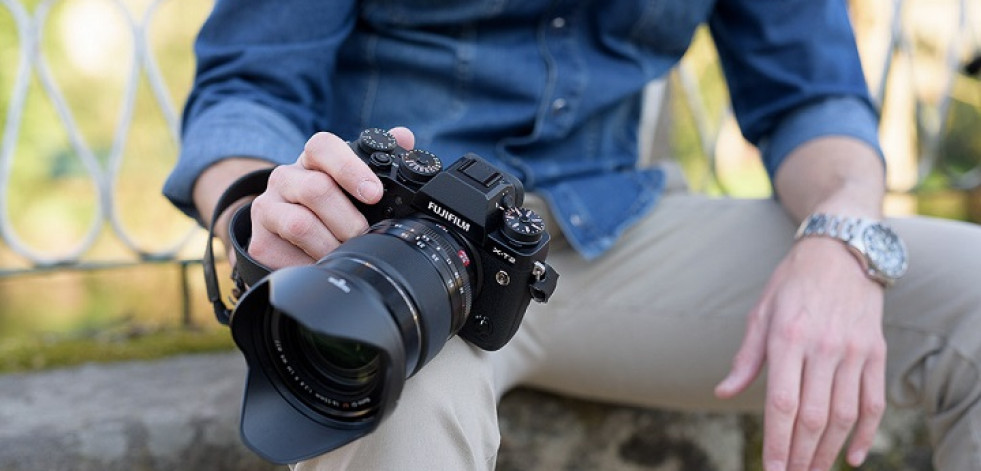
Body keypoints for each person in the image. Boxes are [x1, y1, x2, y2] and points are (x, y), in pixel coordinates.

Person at [164, 1, 981, 470]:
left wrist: (839, 235)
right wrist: (259, 209)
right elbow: (249, 84)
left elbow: (812, 98)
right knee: (383, 402)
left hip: (607, 231)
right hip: (388, 249)